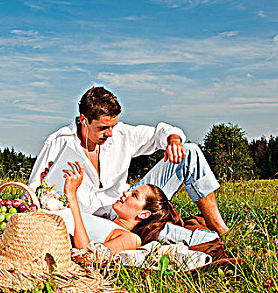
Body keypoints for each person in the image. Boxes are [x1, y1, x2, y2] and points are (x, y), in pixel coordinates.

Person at [29, 86, 229, 236]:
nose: (110, 133)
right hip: (91, 222)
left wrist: (173, 140)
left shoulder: (120, 134)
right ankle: (177, 237)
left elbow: (161, 132)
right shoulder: (58, 143)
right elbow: (33, 193)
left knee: (190, 152)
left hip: (127, 206)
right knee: (149, 238)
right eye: (103, 128)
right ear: (84, 120)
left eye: (113, 126)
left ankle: (220, 229)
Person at [62, 161, 182, 254]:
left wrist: (71, 194)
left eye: (134, 195)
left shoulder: (131, 239)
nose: (126, 193)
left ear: (143, 214)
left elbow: (87, 254)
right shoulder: (104, 219)